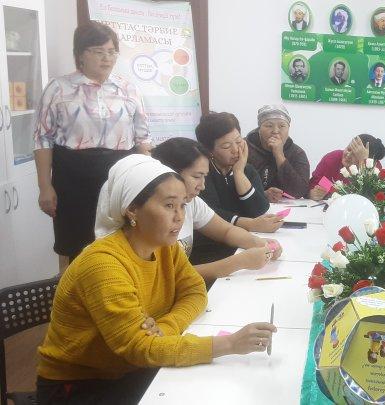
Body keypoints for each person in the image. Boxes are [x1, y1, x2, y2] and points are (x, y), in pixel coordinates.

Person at [37, 155, 276, 404]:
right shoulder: (104, 264)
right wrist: (230, 344)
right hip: (82, 385)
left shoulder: (164, 245)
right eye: (169, 205)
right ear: (132, 209)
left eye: (183, 205)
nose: (179, 216)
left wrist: (164, 327)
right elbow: (140, 349)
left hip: (131, 369)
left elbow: (195, 291)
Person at [33, 22, 152, 271]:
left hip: (120, 175)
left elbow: (142, 138)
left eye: (112, 52)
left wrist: (148, 182)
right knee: (76, 245)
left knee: (122, 241)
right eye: (99, 51)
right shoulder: (58, 88)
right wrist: (45, 186)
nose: (107, 58)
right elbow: (42, 139)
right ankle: (75, 293)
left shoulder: (128, 88)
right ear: (80, 54)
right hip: (73, 176)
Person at [151, 137, 282, 278]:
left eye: (204, 177)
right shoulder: (152, 215)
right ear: (170, 173)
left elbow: (226, 231)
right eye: (197, 177)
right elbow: (168, 277)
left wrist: (258, 242)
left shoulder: (191, 202)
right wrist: (238, 262)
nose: (202, 186)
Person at [194, 112, 284, 257]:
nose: (236, 150)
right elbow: (210, 212)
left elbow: (260, 210)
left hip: (246, 243)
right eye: (226, 146)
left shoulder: (247, 170)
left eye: (238, 141)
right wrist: (250, 224)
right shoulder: (202, 174)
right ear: (209, 151)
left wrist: (239, 173)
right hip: (212, 249)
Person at [246, 104, 310, 202]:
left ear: (288, 128)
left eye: (282, 126)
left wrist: (279, 155)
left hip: (289, 208)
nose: (275, 131)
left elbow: (300, 191)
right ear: (259, 128)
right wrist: (262, 194)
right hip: (251, 206)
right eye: (269, 126)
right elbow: (233, 185)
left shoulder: (297, 153)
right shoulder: (244, 148)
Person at [307, 134, 385, 201]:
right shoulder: (333, 159)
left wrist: (363, 162)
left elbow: (372, 198)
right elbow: (315, 185)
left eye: (355, 154)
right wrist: (312, 193)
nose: (348, 155)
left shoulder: (374, 168)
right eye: (348, 149)